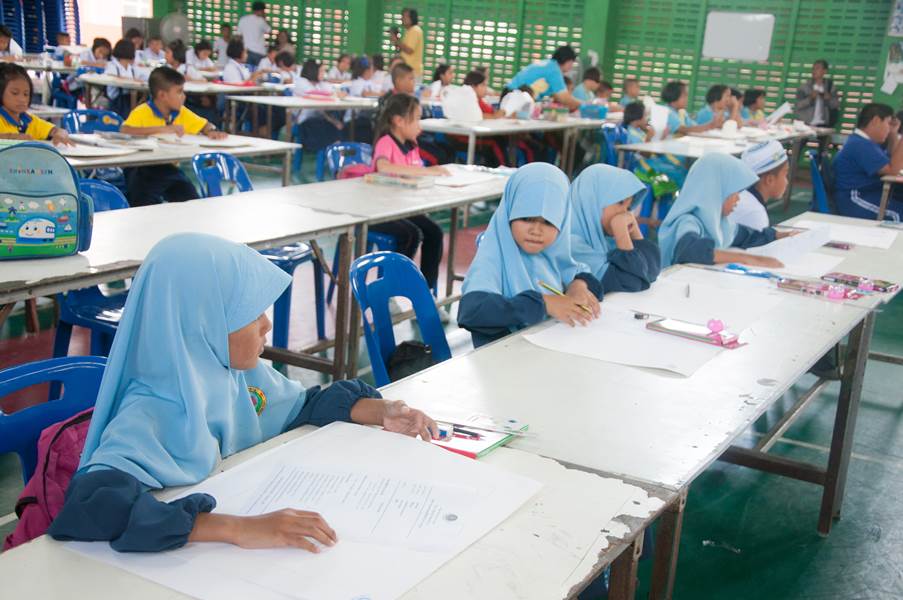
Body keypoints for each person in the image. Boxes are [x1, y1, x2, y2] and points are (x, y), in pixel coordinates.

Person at [47, 232, 439, 553]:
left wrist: (381, 410)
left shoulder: (233, 375)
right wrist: (238, 528)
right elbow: (93, 506)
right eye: (250, 314)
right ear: (202, 321)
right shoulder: (151, 408)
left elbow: (302, 407)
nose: (266, 325)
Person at [458, 163, 603, 348]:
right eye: (526, 219)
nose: (536, 230)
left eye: (548, 222)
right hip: (505, 356)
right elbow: (472, 311)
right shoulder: (493, 258)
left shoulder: (553, 253)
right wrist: (544, 304)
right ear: (509, 212)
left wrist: (579, 285)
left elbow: (582, 274)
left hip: (550, 348)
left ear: (562, 221)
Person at [370, 93, 449, 290]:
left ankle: (426, 289)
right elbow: (383, 167)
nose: (419, 126)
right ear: (398, 121)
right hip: (379, 210)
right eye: (416, 119)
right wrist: (427, 171)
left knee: (434, 232)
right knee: (410, 234)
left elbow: (416, 174)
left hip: (402, 208)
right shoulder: (386, 142)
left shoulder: (411, 146)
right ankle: (391, 289)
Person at [658, 154, 792, 268]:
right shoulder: (688, 221)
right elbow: (689, 251)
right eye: (734, 192)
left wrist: (779, 235)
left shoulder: (721, 223)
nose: (738, 198)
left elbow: (748, 236)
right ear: (716, 192)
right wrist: (746, 259)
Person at [120, 66, 225, 207]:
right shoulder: (143, 111)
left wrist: (211, 130)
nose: (184, 96)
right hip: (141, 168)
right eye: (179, 92)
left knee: (191, 200)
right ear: (162, 95)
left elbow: (204, 124)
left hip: (169, 168)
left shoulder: (181, 112)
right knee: (145, 203)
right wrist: (164, 129)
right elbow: (125, 130)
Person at [569, 164, 661, 292]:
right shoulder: (572, 245)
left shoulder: (606, 240)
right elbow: (632, 283)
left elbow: (651, 270)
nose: (625, 213)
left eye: (628, 207)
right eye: (620, 203)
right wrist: (622, 233)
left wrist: (634, 231)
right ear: (593, 200)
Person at [832, 103, 903, 221]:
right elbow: (892, 170)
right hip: (855, 198)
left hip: (868, 193)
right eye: (888, 123)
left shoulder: (865, 142)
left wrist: (893, 134)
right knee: (898, 216)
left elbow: (890, 161)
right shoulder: (860, 145)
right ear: (876, 121)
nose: (889, 129)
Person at [0, 64, 72, 146]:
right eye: (15, 93)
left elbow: (52, 130)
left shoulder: (29, 120)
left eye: (26, 94)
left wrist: (60, 132)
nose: (22, 99)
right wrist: (12, 138)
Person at [730, 140, 789, 231]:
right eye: (785, 175)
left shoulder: (743, 195)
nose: (787, 182)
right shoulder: (755, 212)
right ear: (769, 180)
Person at [506, 45, 581, 111]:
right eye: (572, 62)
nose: (571, 66)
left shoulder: (548, 64)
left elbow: (556, 95)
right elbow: (564, 98)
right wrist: (584, 104)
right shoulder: (554, 70)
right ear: (567, 61)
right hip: (516, 97)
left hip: (510, 93)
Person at [795, 59, 839, 128]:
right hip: (806, 124)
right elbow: (798, 105)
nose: (814, 71)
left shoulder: (830, 87)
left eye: (817, 68)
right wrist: (810, 98)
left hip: (823, 124)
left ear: (825, 71)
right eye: (813, 69)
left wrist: (829, 98)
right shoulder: (804, 87)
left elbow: (836, 105)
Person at [103, 39, 141, 118]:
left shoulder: (131, 67)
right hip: (117, 101)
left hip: (129, 98)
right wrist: (131, 80)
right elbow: (109, 77)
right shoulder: (112, 65)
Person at [391, 8, 424, 81]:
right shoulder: (409, 31)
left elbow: (409, 50)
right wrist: (396, 40)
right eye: (402, 16)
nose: (402, 18)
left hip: (413, 72)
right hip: (407, 71)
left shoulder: (415, 30)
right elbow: (403, 50)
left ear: (412, 18)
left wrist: (396, 41)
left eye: (405, 16)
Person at [237, 1, 271, 67]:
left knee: (247, 71)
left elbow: (238, 35)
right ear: (261, 11)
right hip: (259, 52)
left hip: (246, 52)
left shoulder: (243, 19)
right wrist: (264, 18)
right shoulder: (261, 21)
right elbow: (269, 30)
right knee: (258, 72)